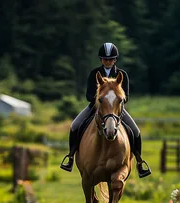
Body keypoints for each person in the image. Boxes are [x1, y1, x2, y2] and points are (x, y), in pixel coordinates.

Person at [60, 42, 151, 178]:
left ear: (115, 59)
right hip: (96, 107)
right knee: (74, 126)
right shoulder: (94, 74)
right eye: (105, 59)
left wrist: (113, 100)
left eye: (110, 59)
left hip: (115, 109)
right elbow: (88, 95)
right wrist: (101, 99)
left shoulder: (122, 75)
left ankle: (139, 162)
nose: (108, 61)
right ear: (101, 59)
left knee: (136, 131)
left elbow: (125, 96)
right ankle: (71, 157)